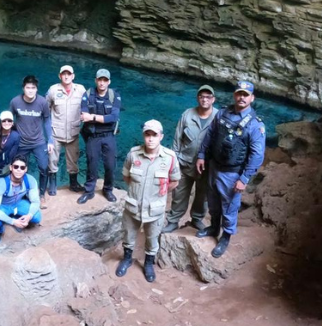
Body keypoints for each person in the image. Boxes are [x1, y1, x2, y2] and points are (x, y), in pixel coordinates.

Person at [196, 80, 266, 258]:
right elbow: (210, 135)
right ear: (234, 95)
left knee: (229, 207)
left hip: (233, 173)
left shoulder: (255, 125)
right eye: (239, 93)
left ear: (252, 98)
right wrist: (202, 155)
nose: (242, 97)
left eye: (246, 94)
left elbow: (257, 155)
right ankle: (213, 227)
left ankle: (225, 236)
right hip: (214, 167)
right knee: (213, 201)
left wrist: (244, 179)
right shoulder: (222, 114)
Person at [116, 120, 180, 282]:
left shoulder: (170, 157)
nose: (150, 139)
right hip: (133, 206)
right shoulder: (133, 154)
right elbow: (126, 176)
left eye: (154, 135)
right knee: (128, 235)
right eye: (147, 134)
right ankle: (127, 258)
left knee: (152, 238)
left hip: (155, 209)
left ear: (161, 137)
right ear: (143, 136)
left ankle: (149, 263)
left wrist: (158, 194)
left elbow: (174, 181)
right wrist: (138, 192)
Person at [162, 85, 219, 233]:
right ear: (197, 98)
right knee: (179, 194)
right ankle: (173, 220)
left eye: (208, 97)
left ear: (213, 99)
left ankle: (197, 219)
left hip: (206, 167)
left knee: (203, 195)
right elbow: (177, 139)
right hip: (184, 162)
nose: (204, 99)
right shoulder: (188, 114)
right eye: (201, 96)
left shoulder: (219, 117)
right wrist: (174, 161)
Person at [9, 75, 54, 209]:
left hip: (38, 141)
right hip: (21, 142)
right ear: (23, 88)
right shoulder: (15, 102)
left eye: (33, 88)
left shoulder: (42, 102)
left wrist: (50, 140)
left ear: (36, 89)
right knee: (19, 169)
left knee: (43, 167)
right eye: (28, 88)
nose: (30, 91)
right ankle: (21, 193)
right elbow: (8, 120)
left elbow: (46, 120)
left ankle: (41, 195)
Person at [78, 69, 121, 204]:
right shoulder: (88, 94)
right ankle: (89, 191)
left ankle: (108, 189)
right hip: (93, 135)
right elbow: (84, 116)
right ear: (96, 80)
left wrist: (93, 117)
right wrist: (100, 118)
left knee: (110, 164)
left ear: (109, 82)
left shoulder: (115, 96)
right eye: (100, 80)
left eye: (105, 80)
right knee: (92, 163)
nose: (102, 83)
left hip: (109, 135)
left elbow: (113, 117)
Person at [45, 65, 86, 195]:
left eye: (69, 74)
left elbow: (86, 107)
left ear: (73, 76)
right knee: (52, 159)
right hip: (56, 132)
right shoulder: (53, 90)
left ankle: (73, 183)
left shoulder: (80, 90)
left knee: (73, 159)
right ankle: (52, 184)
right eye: (64, 74)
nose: (66, 76)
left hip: (73, 132)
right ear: (60, 76)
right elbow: (46, 108)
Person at [0, 155, 42, 245]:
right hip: (3, 206)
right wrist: (13, 222)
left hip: (18, 203)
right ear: (11, 168)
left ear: (25, 169)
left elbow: (35, 202)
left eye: (22, 167)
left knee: (36, 217)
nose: (19, 170)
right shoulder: (1, 182)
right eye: (16, 166)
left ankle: (18, 217)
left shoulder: (30, 180)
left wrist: (29, 215)